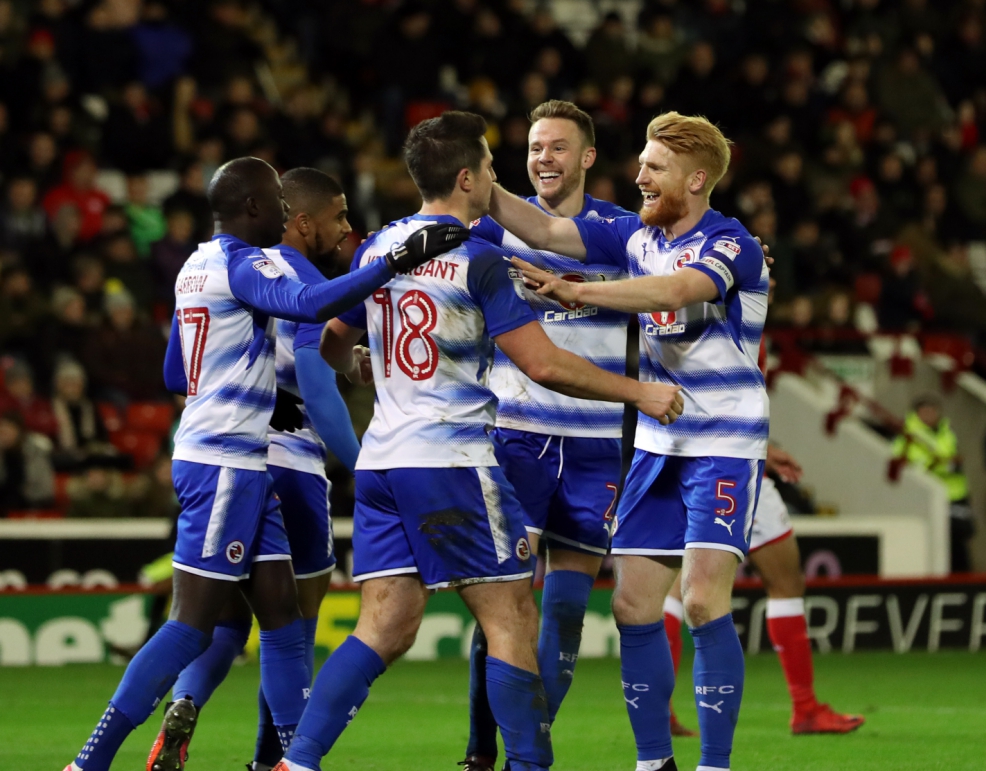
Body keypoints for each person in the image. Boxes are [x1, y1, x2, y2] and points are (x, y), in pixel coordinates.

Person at [272, 112, 683, 771]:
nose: (499, 177)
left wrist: (358, 363)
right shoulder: (477, 258)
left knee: (382, 626)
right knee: (513, 617)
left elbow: (332, 339)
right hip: (452, 462)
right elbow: (544, 364)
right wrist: (640, 393)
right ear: (466, 178)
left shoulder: (378, 245)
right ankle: (524, 763)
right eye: (492, 166)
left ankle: (297, 762)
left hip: (383, 463)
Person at [63, 155, 466, 771]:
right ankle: (88, 762)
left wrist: (240, 376)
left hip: (242, 460)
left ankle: (289, 762)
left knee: (278, 615)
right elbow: (308, 306)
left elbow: (177, 371)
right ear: (253, 208)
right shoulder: (245, 261)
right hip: (225, 460)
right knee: (191, 625)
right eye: (276, 203)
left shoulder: (194, 264)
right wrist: (395, 262)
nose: (284, 213)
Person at [488, 111, 767, 771]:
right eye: (641, 163)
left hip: (723, 441)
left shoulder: (732, 245)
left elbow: (677, 289)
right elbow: (547, 227)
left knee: (700, 597)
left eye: (655, 167)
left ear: (696, 179)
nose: (638, 176)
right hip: (655, 444)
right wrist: (474, 178)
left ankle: (716, 765)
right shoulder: (636, 237)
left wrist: (584, 292)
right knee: (633, 603)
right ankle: (653, 762)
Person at [147, 167, 369, 771]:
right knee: (291, 624)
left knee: (224, 619)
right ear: (300, 219)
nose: (347, 230)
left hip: (225, 455)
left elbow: (177, 374)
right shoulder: (296, 279)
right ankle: (272, 759)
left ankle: (186, 699)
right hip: (290, 459)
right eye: (339, 217)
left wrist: (349, 361)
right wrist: (364, 468)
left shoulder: (224, 267)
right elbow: (317, 390)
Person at [461, 99, 630, 771]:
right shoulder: (492, 232)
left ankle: (525, 753)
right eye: (534, 148)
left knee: (562, 614)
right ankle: (479, 752)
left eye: (558, 147)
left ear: (587, 157)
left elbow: (680, 266)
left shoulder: (620, 231)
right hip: (517, 440)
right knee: (503, 605)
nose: (545, 159)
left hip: (594, 449)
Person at [664, 444, 865, 736]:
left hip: (679, 462)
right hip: (734, 466)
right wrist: (763, 447)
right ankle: (805, 708)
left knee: (678, 583)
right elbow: (727, 403)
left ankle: (658, 710)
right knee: (786, 584)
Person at [892, 394, 973, 572]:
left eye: (932, 411)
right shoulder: (906, 436)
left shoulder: (947, 433)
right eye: (924, 411)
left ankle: (963, 580)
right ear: (916, 414)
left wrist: (946, 464)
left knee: (959, 542)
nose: (929, 415)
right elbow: (907, 465)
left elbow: (956, 459)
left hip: (955, 496)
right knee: (933, 542)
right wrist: (942, 464)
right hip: (925, 498)